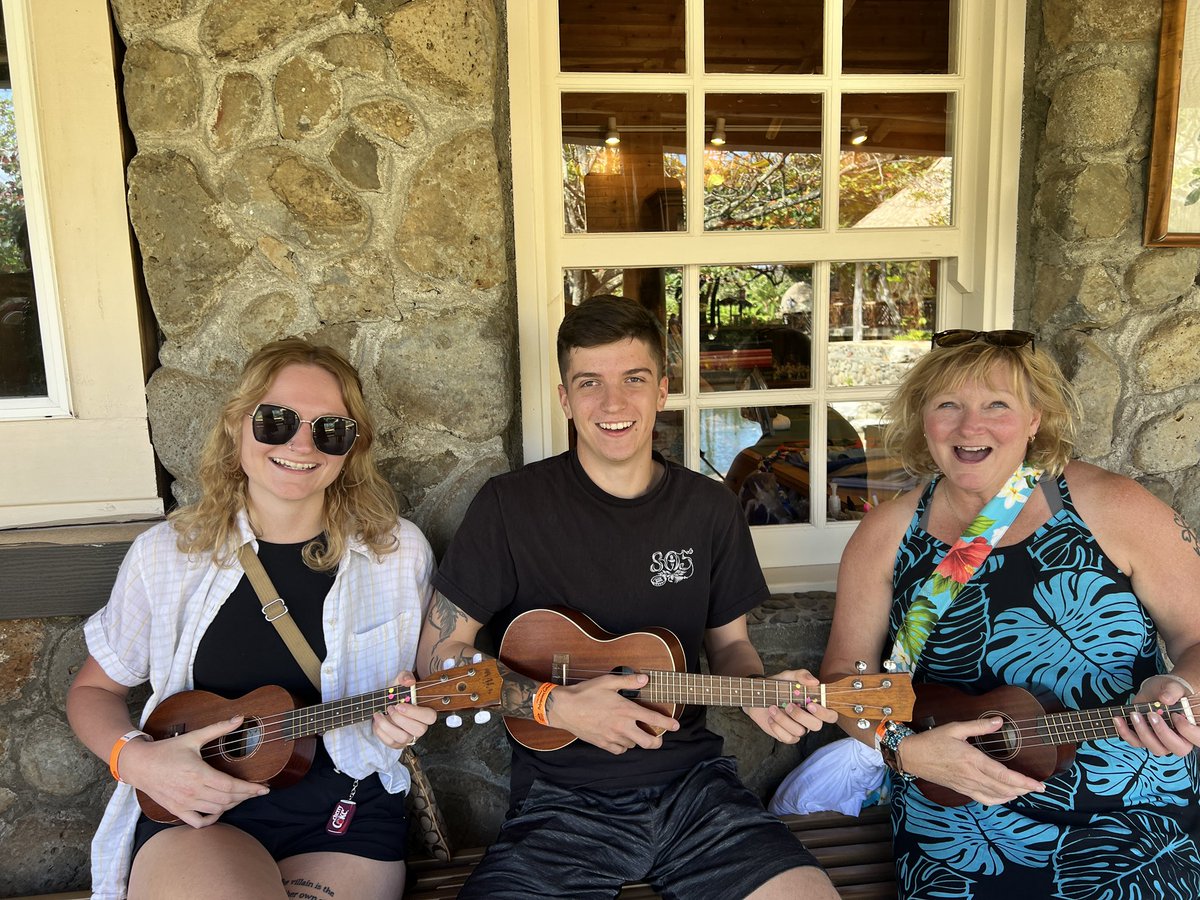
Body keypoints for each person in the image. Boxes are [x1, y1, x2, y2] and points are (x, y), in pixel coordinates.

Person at [417, 294, 841, 900]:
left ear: (662, 389)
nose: (613, 404)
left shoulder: (708, 508)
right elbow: (439, 660)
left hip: (698, 795)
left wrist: (760, 696)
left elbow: (731, 646)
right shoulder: (510, 507)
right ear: (564, 398)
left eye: (633, 379)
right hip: (559, 810)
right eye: (589, 382)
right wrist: (555, 707)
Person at [822, 329, 1200, 897]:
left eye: (997, 405)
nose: (970, 427)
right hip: (957, 823)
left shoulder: (1113, 509)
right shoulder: (885, 534)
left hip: (1130, 823)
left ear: (1034, 420)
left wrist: (1178, 685)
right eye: (947, 405)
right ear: (922, 420)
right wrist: (900, 748)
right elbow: (843, 684)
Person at [67, 338, 438, 900]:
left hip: (345, 817)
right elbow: (93, 689)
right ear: (238, 425)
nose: (301, 444)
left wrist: (410, 709)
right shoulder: (167, 555)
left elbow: (429, 680)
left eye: (329, 429)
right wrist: (137, 760)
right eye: (276, 421)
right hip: (198, 817)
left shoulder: (397, 553)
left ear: (351, 447)